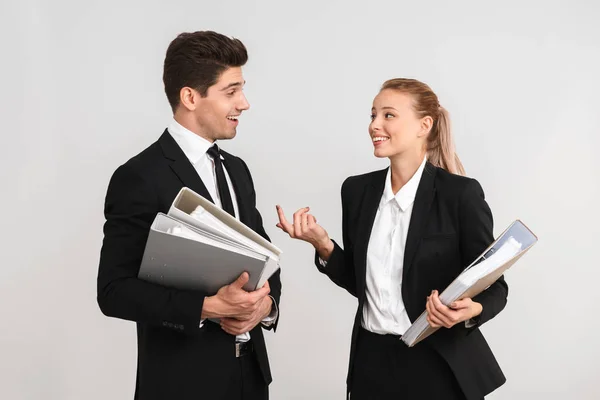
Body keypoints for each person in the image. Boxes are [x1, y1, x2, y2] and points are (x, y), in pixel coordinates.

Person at [276, 78, 507, 400]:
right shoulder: (357, 191)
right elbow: (363, 286)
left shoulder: (460, 195)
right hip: (372, 363)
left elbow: (496, 286)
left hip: (438, 364)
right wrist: (323, 245)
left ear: (424, 125)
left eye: (388, 115)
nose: (374, 125)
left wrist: (472, 309)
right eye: (372, 115)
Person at [97, 31, 281, 400]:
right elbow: (113, 291)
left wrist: (265, 305)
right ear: (190, 97)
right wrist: (208, 308)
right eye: (231, 91)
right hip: (182, 383)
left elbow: (265, 259)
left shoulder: (238, 170)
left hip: (250, 379)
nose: (244, 103)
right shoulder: (139, 177)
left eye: (242, 89)